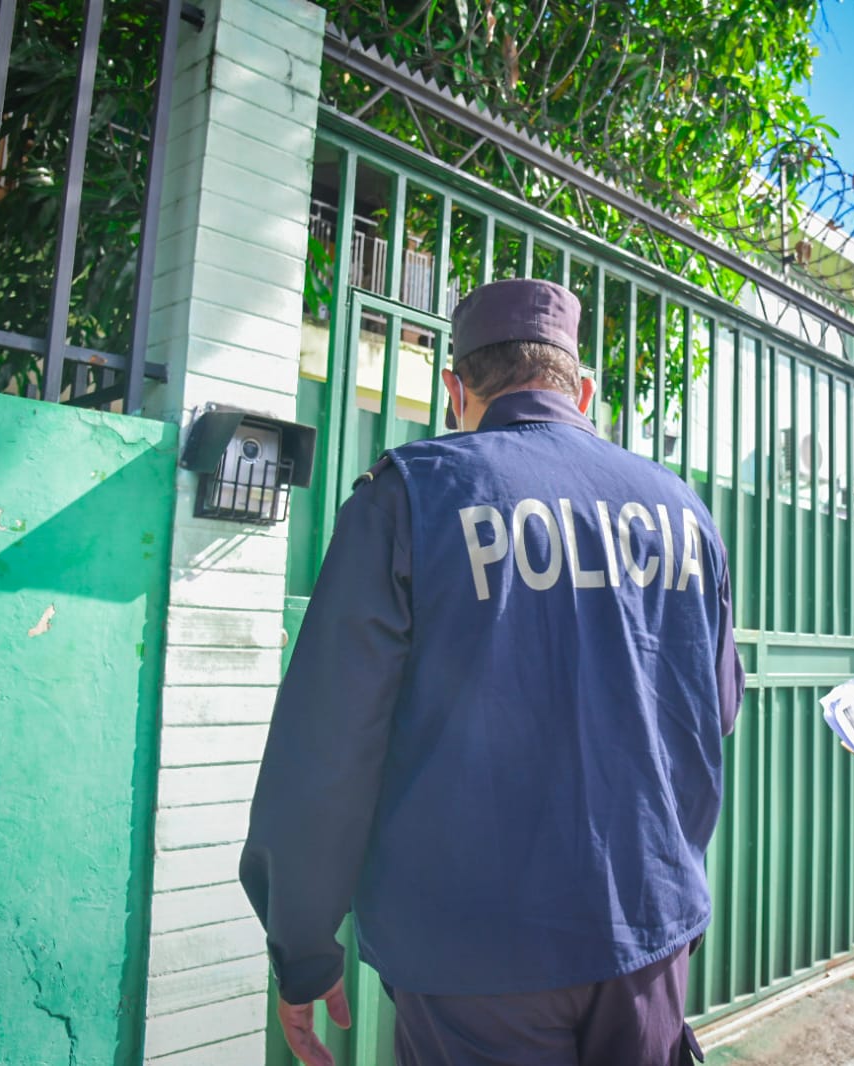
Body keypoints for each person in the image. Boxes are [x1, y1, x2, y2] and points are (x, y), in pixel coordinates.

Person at [240, 278, 744, 1066]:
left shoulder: (409, 496)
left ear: (454, 391)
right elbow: (717, 708)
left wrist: (302, 944)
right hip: (646, 933)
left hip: (474, 952)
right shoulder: (682, 509)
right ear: (581, 391)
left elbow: (329, 742)